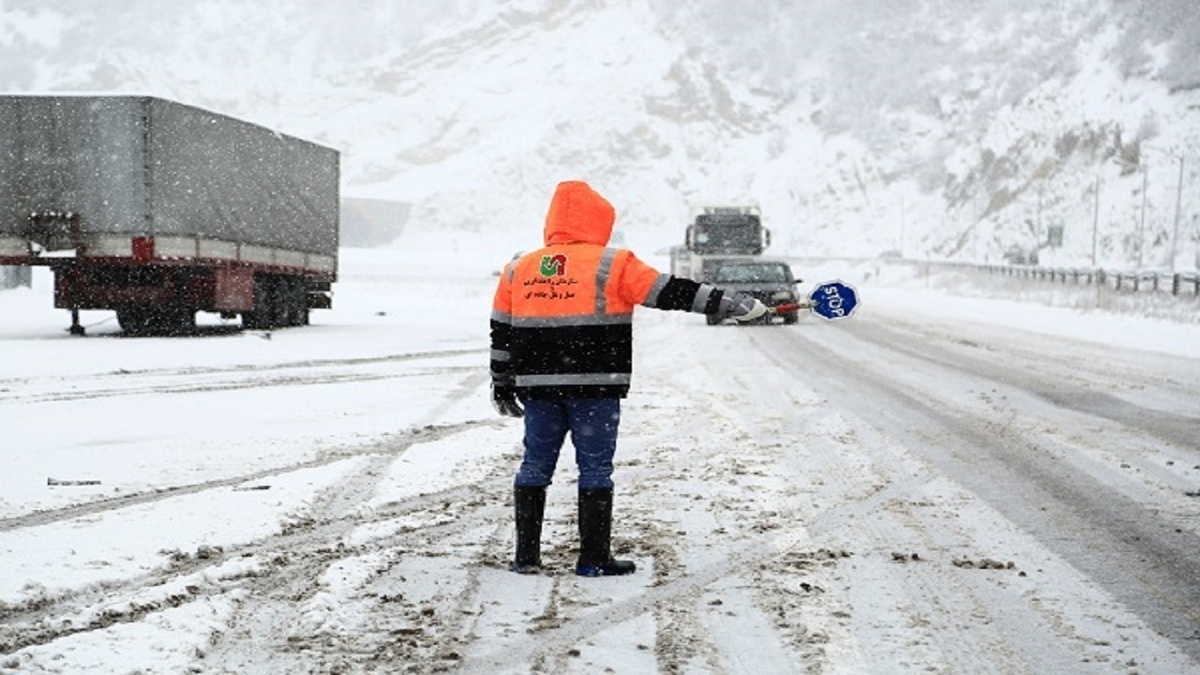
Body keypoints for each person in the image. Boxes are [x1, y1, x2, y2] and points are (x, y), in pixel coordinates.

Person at [489, 180, 767, 577]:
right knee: (596, 469)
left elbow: (500, 329)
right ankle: (593, 559)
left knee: (534, 465)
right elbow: (671, 292)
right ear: (599, 220)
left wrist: (502, 382)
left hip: (538, 389)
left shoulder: (519, 268)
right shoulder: (613, 263)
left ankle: (526, 557)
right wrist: (730, 303)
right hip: (595, 386)